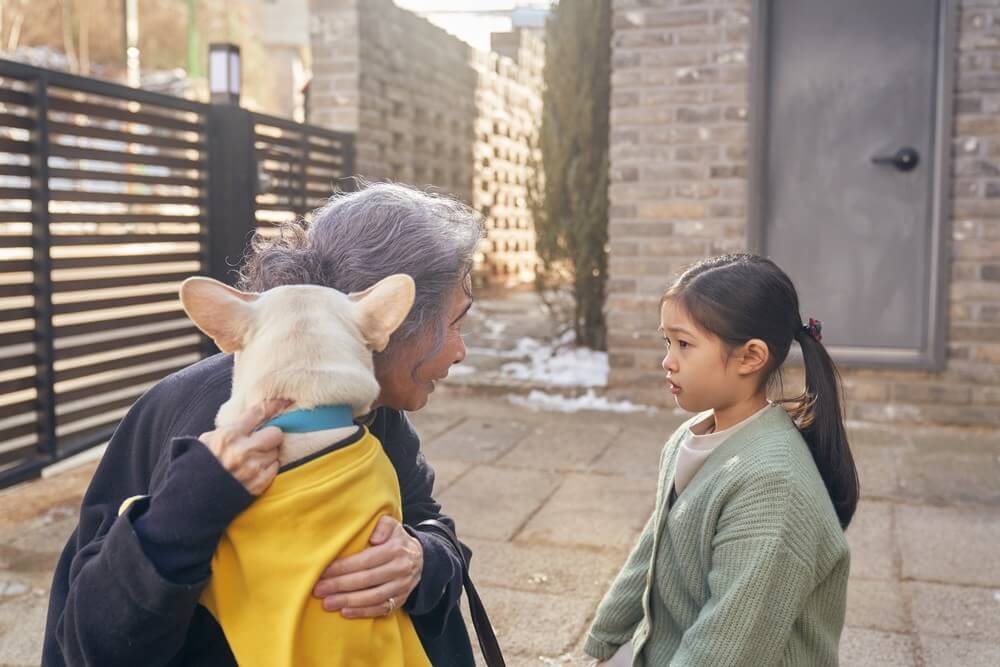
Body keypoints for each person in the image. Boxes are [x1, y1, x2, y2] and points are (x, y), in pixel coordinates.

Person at [42, 182, 484, 666]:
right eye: (454, 323)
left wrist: (420, 557)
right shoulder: (204, 418)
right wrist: (188, 505)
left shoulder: (373, 414)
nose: (460, 351)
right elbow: (89, 641)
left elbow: (432, 524)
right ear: (391, 323)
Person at [585, 253, 859, 666]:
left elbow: (728, 643)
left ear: (751, 357)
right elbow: (652, 550)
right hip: (672, 646)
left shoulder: (772, 484)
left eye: (684, 344)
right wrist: (603, 641)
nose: (668, 360)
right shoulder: (689, 436)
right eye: (667, 342)